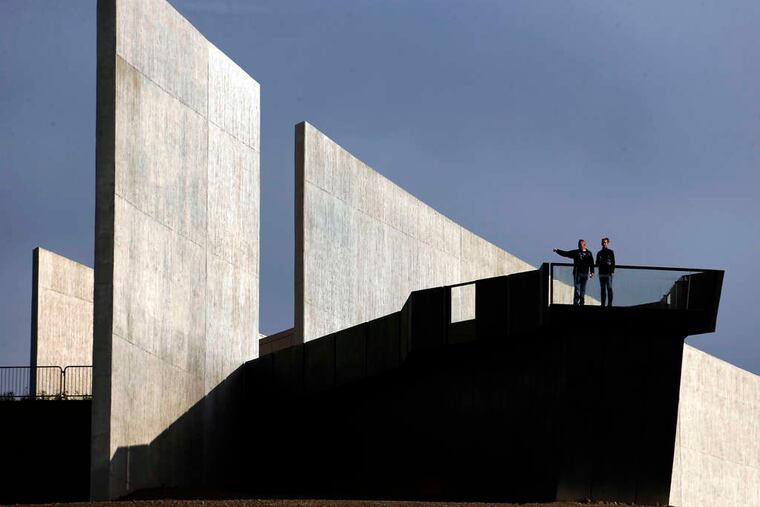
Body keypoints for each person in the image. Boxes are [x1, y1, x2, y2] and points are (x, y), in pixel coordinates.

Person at [553, 240, 595, 306]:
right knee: (577, 288)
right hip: (577, 273)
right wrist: (557, 250)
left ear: (584, 245)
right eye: (579, 245)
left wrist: (592, 272)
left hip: (585, 273)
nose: (579, 246)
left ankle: (582, 303)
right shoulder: (576, 252)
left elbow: (591, 263)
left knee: (583, 289)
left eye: (580, 245)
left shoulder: (589, 253)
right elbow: (566, 253)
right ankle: (576, 303)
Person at [596, 237, 615, 307]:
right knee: (603, 289)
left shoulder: (611, 252)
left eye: (606, 242)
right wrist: (600, 261)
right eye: (603, 242)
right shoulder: (599, 253)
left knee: (609, 288)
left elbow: (613, 262)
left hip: (609, 273)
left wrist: (612, 271)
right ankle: (603, 304)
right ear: (602, 244)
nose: (604, 244)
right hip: (601, 273)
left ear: (608, 243)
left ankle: (610, 304)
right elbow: (596, 263)